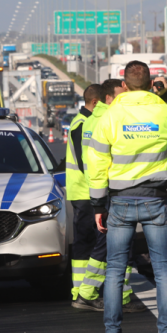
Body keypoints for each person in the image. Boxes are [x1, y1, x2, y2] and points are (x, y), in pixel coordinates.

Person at [88, 61, 167, 333]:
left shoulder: (110, 116)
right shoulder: (165, 111)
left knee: (114, 271)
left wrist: (98, 204)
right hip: (155, 199)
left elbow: (96, 161)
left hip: (120, 202)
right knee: (163, 270)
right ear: (150, 83)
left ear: (124, 84)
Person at [74, 79, 145, 313]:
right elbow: (99, 163)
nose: (124, 100)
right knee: (110, 244)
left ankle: (114, 293)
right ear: (108, 98)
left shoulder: (96, 119)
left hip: (105, 192)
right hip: (109, 193)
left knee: (115, 244)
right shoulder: (107, 120)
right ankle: (90, 292)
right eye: (120, 96)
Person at [67, 84, 103, 303]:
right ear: (96, 103)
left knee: (87, 241)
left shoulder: (79, 122)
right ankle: (82, 291)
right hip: (85, 192)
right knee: (87, 241)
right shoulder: (83, 124)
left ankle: (81, 289)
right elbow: (86, 162)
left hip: (83, 191)